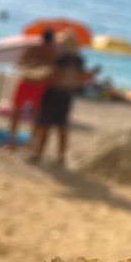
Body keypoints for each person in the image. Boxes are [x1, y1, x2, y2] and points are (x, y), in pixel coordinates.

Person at [29, 32, 98, 166]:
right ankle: (61, 156)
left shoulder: (60, 58)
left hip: (53, 93)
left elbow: (53, 76)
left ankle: (37, 154)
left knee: (45, 125)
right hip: (67, 95)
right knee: (62, 127)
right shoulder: (79, 60)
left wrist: (40, 77)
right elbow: (80, 78)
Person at [8, 28, 58, 151]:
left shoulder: (32, 49)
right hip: (39, 85)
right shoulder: (52, 52)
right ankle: (29, 142)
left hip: (27, 82)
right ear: (52, 40)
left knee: (17, 112)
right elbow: (53, 73)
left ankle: (13, 142)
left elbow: (21, 63)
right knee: (36, 115)